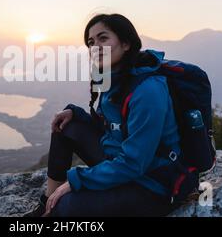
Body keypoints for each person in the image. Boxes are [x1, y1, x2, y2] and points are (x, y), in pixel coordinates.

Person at [24, 13, 183, 217]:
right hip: (119, 161)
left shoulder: (148, 90)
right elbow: (109, 127)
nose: (95, 46)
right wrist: (76, 114)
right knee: (66, 125)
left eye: (103, 38)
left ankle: (55, 208)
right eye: (91, 42)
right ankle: (47, 205)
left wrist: (76, 180)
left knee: (66, 207)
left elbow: (135, 163)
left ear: (126, 44)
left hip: (151, 183)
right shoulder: (114, 79)